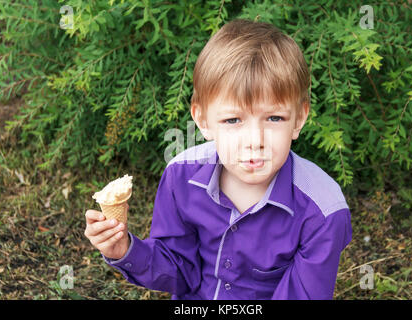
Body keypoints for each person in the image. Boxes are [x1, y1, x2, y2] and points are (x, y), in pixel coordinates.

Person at [84, 18, 352, 300]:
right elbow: (177, 270)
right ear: (202, 120)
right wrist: (124, 249)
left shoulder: (323, 211)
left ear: (298, 118)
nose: (255, 140)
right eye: (233, 119)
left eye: (274, 118)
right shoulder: (180, 177)